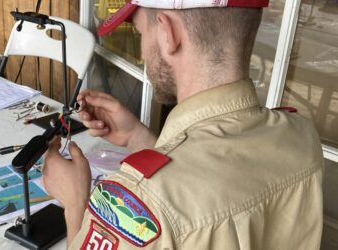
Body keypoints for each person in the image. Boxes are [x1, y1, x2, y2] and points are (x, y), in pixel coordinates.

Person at [42, 0, 324, 249]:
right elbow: (212, 182)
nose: (142, 46)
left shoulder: (136, 207)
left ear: (168, 34)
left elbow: (177, 199)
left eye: (141, 32)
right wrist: (137, 138)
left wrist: (75, 203)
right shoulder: (301, 134)